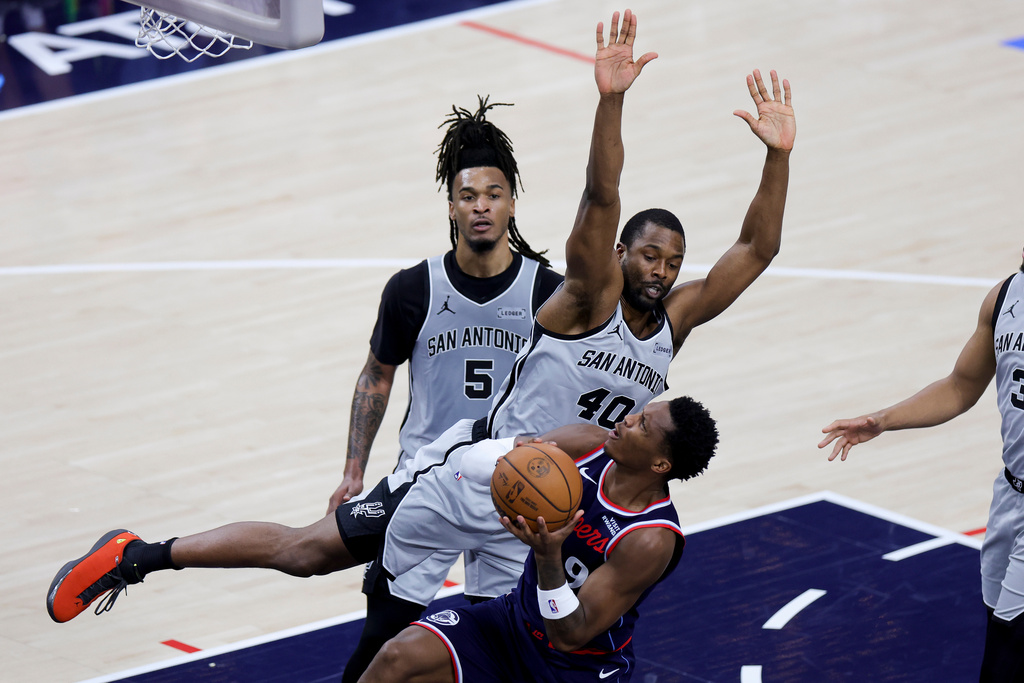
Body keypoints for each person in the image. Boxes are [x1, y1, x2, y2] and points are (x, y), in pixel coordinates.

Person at [362, 3, 795, 636]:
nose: (662, 272)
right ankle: (164, 554)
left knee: (503, 647)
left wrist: (778, 157)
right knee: (332, 570)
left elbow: (757, 250)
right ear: (622, 254)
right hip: (491, 463)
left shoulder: (674, 321)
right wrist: (611, 102)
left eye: (674, 263)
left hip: (553, 498)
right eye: (650, 256)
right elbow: (601, 193)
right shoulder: (589, 299)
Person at [324, 95, 563, 681]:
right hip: (427, 481)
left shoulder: (548, 293)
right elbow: (376, 375)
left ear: (512, 202)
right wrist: (354, 471)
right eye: (467, 196)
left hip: (514, 488)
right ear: (450, 205)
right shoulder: (412, 289)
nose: (481, 207)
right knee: (384, 639)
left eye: (493, 195)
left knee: (500, 644)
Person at [359, 395, 719, 683]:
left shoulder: (650, 539)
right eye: (640, 413)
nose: (627, 418)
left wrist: (548, 556)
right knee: (397, 658)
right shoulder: (584, 443)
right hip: (514, 623)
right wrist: (508, 457)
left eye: (642, 425)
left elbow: (570, 634)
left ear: (660, 465)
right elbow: (476, 463)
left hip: (573, 667)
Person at [819, 254, 1024, 682]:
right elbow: (960, 386)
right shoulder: (1004, 297)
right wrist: (882, 420)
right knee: (996, 624)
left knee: (1006, 653)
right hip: (1009, 496)